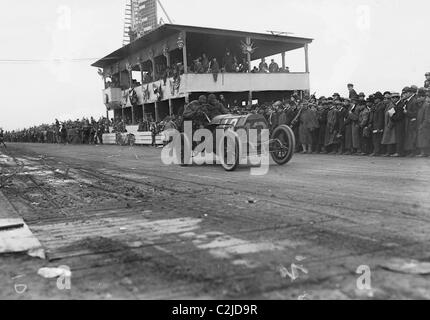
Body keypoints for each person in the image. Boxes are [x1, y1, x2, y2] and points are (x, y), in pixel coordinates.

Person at [404, 86, 420, 156]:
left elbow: (415, 113)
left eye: (406, 93)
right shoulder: (409, 101)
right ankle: (411, 151)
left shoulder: (413, 101)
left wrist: (406, 112)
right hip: (409, 121)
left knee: (412, 137)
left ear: (410, 93)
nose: (405, 94)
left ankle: (413, 152)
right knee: (410, 137)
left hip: (412, 122)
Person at [369, 92, 385, 156]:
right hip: (374, 124)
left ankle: (377, 151)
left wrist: (379, 127)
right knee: (375, 139)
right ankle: (376, 151)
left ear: (379, 99)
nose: (375, 100)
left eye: (376, 98)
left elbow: (381, 118)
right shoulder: (375, 106)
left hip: (377, 125)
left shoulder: (381, 106)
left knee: (377, 139)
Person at [381, 92, 397, 156]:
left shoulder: (392, 106)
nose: (385, 100)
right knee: (388, 138)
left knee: (390, 139)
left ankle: (390, 152)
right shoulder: (387, 106)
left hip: (390, 126)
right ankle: (388, 152)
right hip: (387, 125)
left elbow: (392, 116)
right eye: (384, 98)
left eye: (386, 99)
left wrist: (389, 125)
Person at [417, 88, 430, 157]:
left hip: (425, 126)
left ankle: (425, 153)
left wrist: (423, 125)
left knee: (425, 139)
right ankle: (423, 152)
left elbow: (427, 117)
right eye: (418, 97)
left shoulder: (426, 105)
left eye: (420, 97)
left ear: (424, 97)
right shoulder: (421, 105)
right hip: (421, 125)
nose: (418, 98)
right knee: (422, 140)